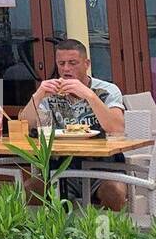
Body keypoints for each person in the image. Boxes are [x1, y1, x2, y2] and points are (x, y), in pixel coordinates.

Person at [18, 38, 126, 211]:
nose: (66, 69)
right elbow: (24, 124)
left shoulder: (107, 90)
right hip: (59, 169)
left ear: (86, 64)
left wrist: (89, 95)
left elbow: (116, 128)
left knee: (114, 191)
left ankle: (106, 234)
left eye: (72, 63)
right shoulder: (51, 92)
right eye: (61, 64)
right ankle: (47, 234)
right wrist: (38, 94)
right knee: (30, 189)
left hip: (104, 168)